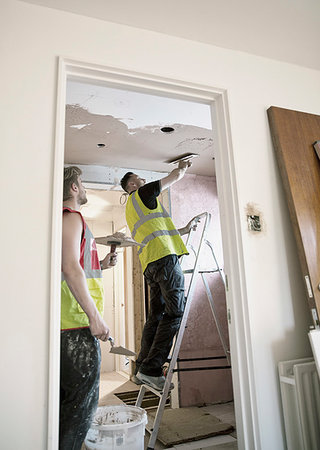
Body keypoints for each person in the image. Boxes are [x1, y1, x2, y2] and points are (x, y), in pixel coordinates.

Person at [120, 160, 197, 391]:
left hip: (150, 265)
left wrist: (184, 229)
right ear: (133, 184)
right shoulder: (143, 192)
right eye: (140, 178)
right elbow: (174, 177)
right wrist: (182, 166)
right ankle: (152, 369)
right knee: (175, 312)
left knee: (156, 316)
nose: (144, 180)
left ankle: (142, 367)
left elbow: (157, 230)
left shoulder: (132, 208)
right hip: (164, 259)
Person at [60, 166, 117, 450]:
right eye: (81, 183)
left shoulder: (68, 221)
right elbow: (69, 267)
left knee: (70, 410)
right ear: (73, 188)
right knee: (79, 411)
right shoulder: (71, 217)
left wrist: (102, 265)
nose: (83, 188)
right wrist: (95, 318)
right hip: (76, 326)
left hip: (70, 325)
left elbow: (77, 267)